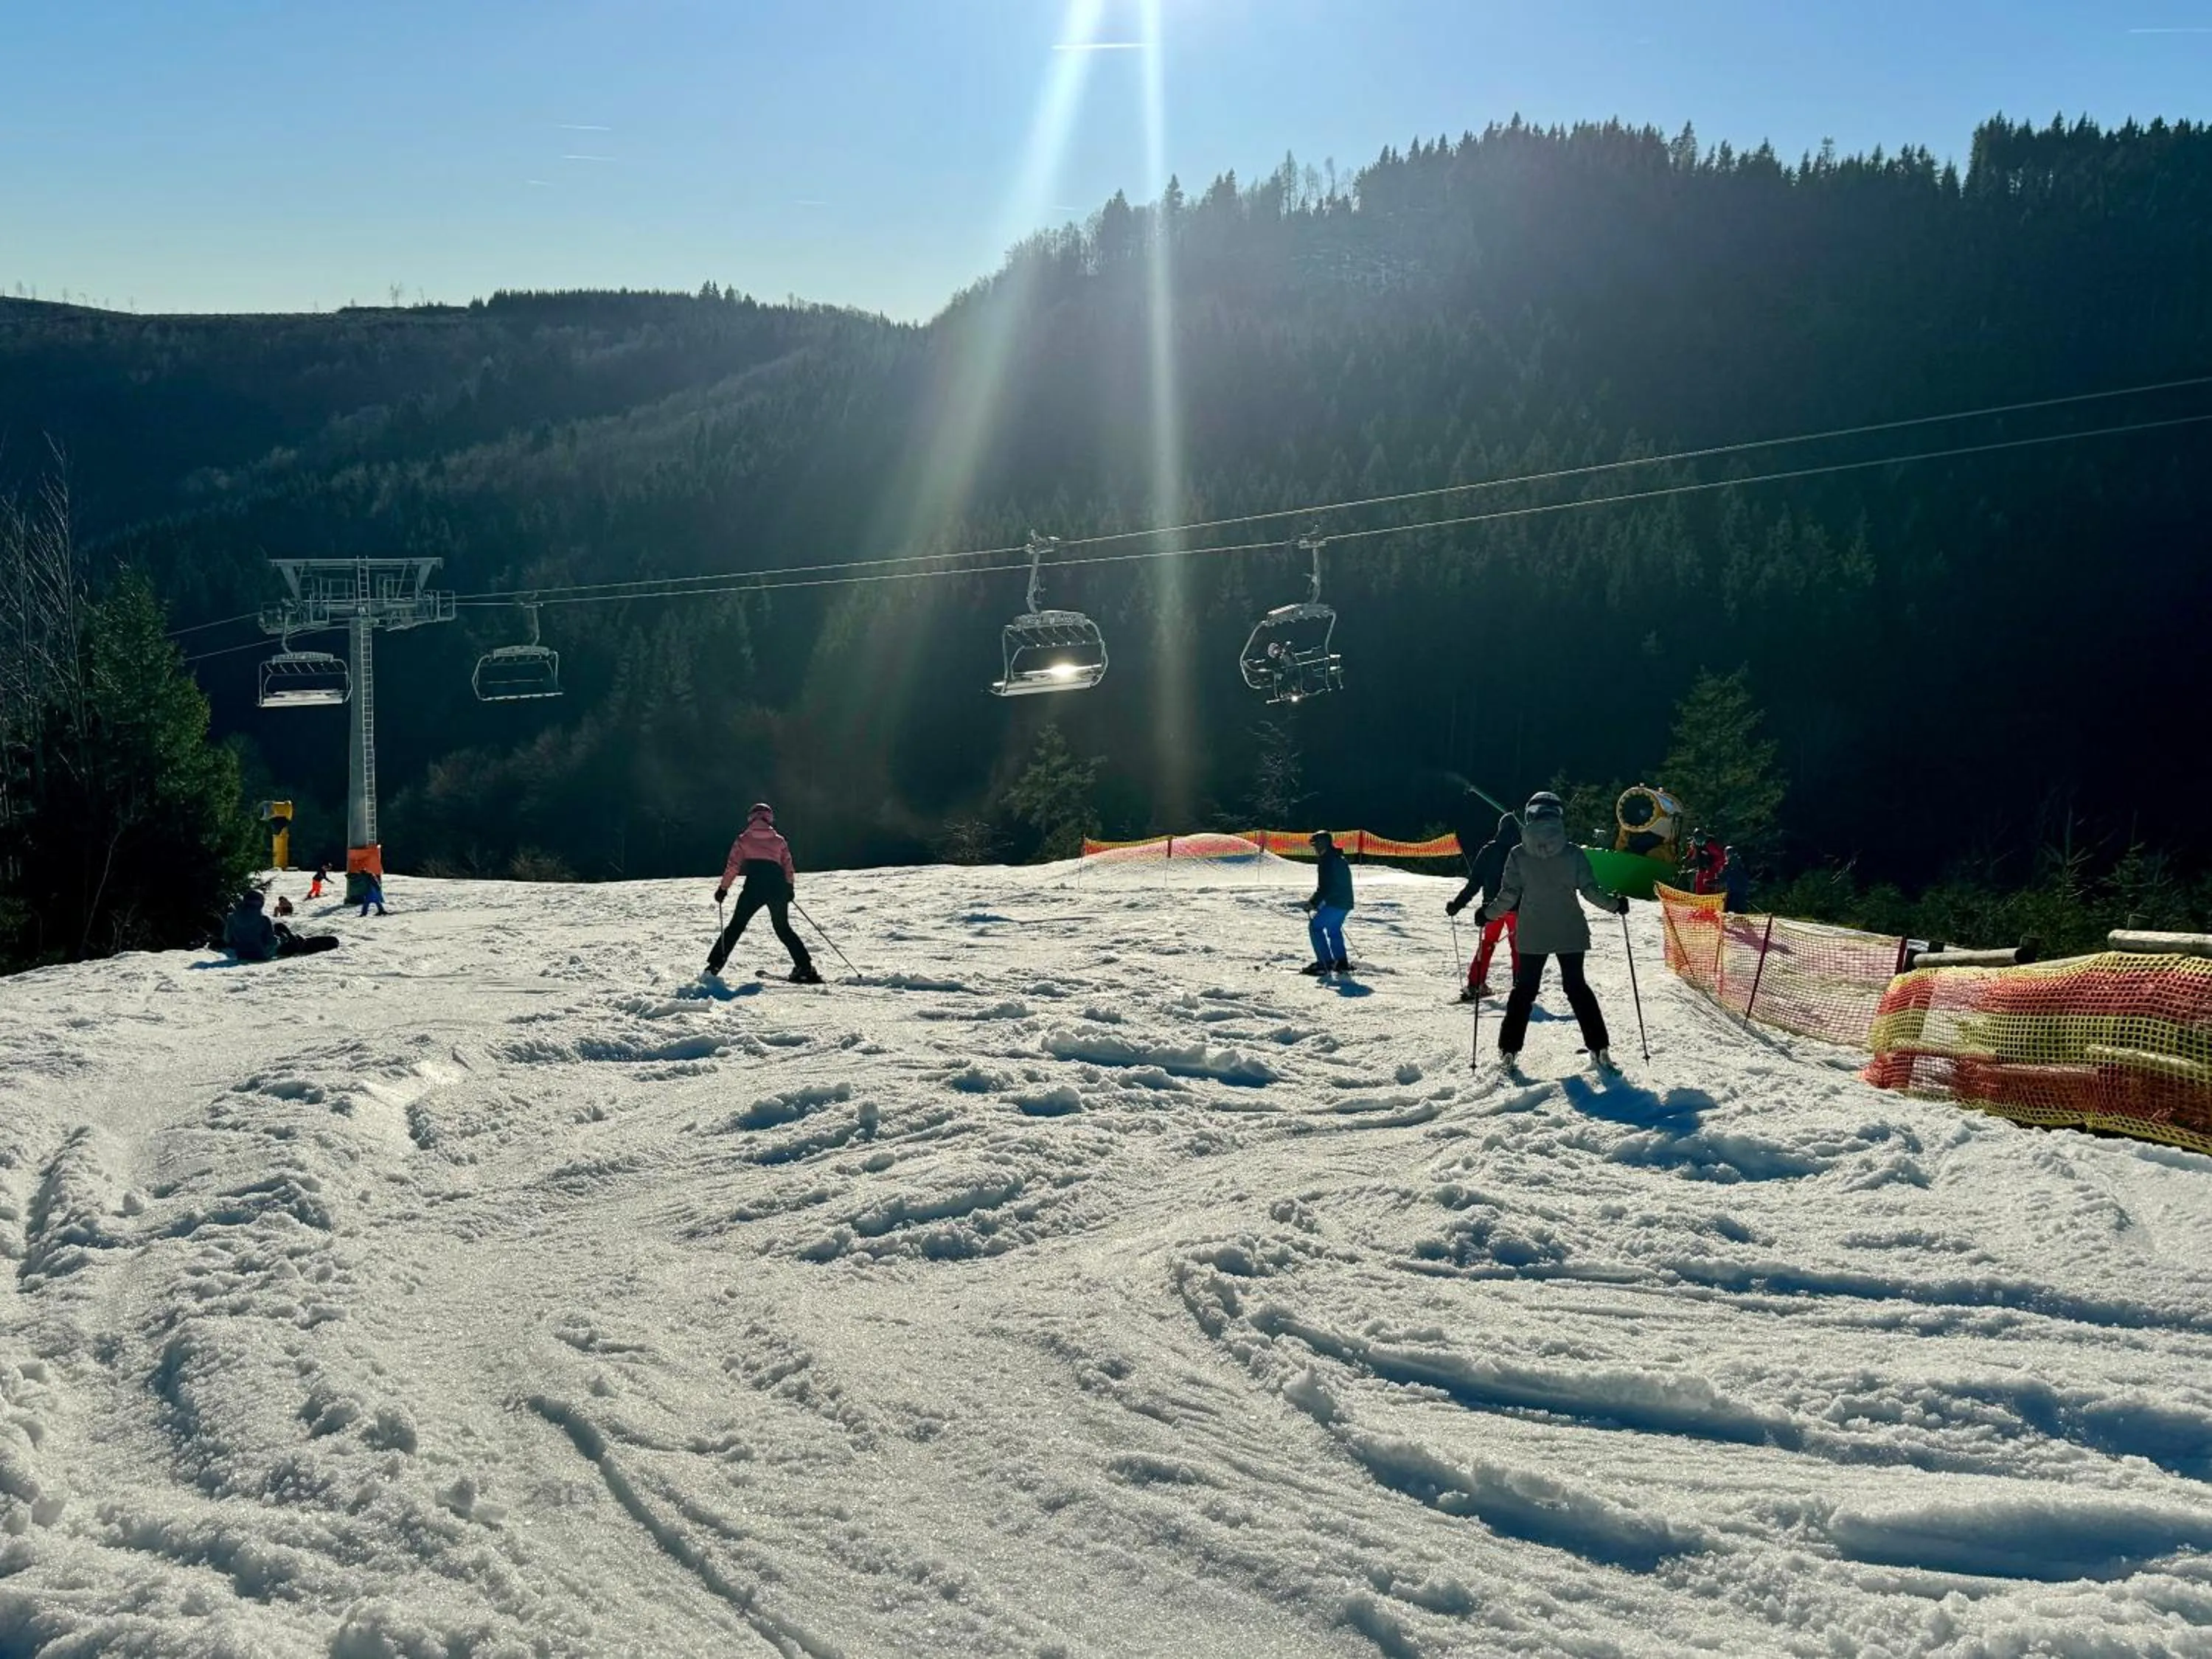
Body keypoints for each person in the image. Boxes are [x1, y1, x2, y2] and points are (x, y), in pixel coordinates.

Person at [1478, 791, 1627, 1073]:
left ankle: (1509, 1052)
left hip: (1533, 932)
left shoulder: (1518, 854)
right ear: (1558, 816)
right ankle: (1600, 1050)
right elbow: (1590, 891)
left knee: (1524, 990)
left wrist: (1487, 914)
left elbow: (1508, 895)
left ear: (1530, 815)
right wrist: (1615, 905)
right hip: (1570, 930)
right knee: (1577, 988)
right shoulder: (1572, 853)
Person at [708, 802, 821, 982]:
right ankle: (805, 967)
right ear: (770, 819)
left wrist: (723, 889)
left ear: (751, 818)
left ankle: (714, 966)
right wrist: (789, 887)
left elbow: (733, 867)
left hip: (754, 887)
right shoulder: (779, 840)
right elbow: (788, 867)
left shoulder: (743, 840)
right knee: (783, 928)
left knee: (736, 926)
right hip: (777, 887)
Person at [1446, 811, 1521, 1001]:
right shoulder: (1522, 851)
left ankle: (1475, 984)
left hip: (1491, 909)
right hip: (1517, 909)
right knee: (1518, 946)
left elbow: (1475, 883)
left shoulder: (1489, 851)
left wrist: (1457, 904)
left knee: (1487, 944)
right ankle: (1520, 984)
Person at [221, 889, 338, 961]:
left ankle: (296, 940)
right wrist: (282, 939)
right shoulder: (264, 919)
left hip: (241, 954)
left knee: (278, 928)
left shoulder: (232, 917)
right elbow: (272, 943)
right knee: (282, 931)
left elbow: (227, 939)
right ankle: (299, 942)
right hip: (262, 954)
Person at [1301, 829, 1354, 974]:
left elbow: (1325, 887)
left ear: (1323, 844)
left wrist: (1313, 903)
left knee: (1315, 927)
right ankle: (1341, 962)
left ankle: (1324, 963)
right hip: (1345, 903)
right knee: (1333, 929)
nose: (1315, 849)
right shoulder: (1337, 857)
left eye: (1316, 845)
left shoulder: (1327, 860)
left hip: (1336, 903)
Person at [1720, 845, 1750, 914]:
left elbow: (1722, 878)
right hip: (1743, 890)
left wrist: (1711, 882)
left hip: (1732, 891)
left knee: (1728, 909)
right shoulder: (1742, 863)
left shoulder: (1727, 865)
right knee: (1741, 910)